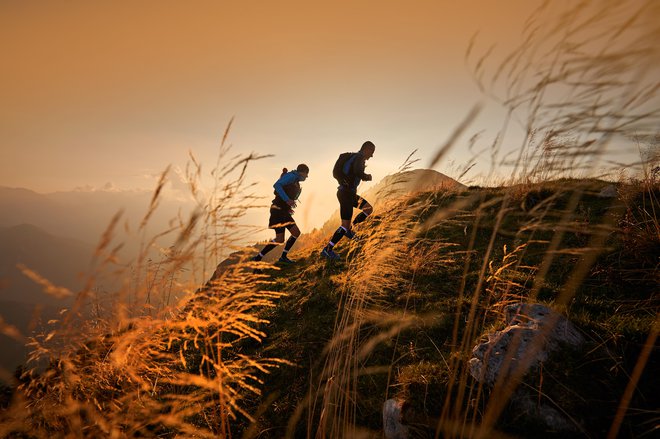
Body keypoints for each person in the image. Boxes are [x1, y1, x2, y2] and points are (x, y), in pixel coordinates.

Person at [321, 141, 375, 260]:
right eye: (371, 152)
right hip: (346, 194)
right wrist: (367, 176)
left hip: (348, 193)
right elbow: (357, 171)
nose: (371, 156)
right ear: (366, 149)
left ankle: (350, 230)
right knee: (344, 225)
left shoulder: (354, 157)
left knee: (368, 209)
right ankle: (327, 249)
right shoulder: (359, 158)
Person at [253, 164, 309, 267]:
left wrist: (289, 207)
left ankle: (277, 257)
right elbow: (276, 185)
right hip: (277, 211)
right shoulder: (291, 176)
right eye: (306, 174)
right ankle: (260, 257)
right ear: (302, 172)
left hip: (283, 211)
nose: (306, 177)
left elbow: (286, 191)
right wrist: (287, 200)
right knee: (282, 238)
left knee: (293, 233)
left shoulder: (295, 179)